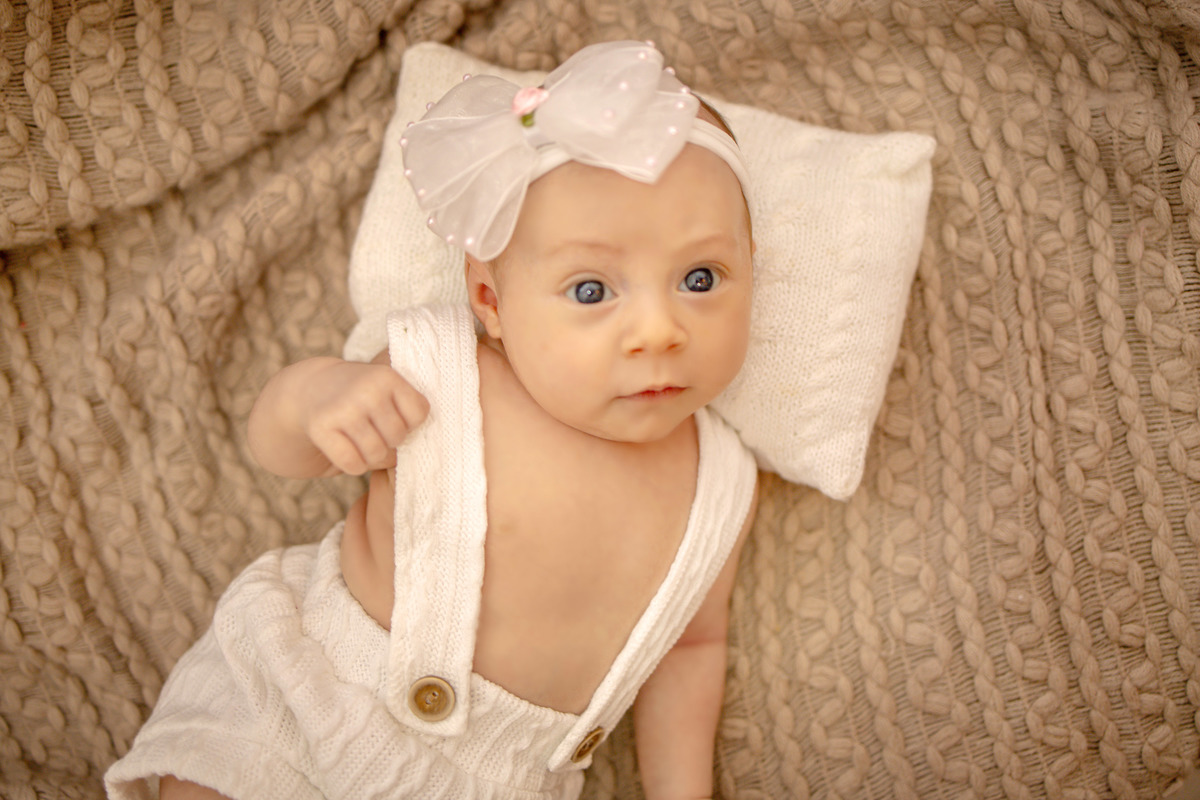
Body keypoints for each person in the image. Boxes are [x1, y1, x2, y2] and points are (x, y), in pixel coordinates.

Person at [106, 40, 758, 800]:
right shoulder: (442, 373)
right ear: (490, 302)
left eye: (700, 278)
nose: (659, 330)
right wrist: (318, 399)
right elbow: (279, 450)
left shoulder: (721, 484)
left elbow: (688, 649)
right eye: (591, 291)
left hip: (505, 779)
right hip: (320, 688)